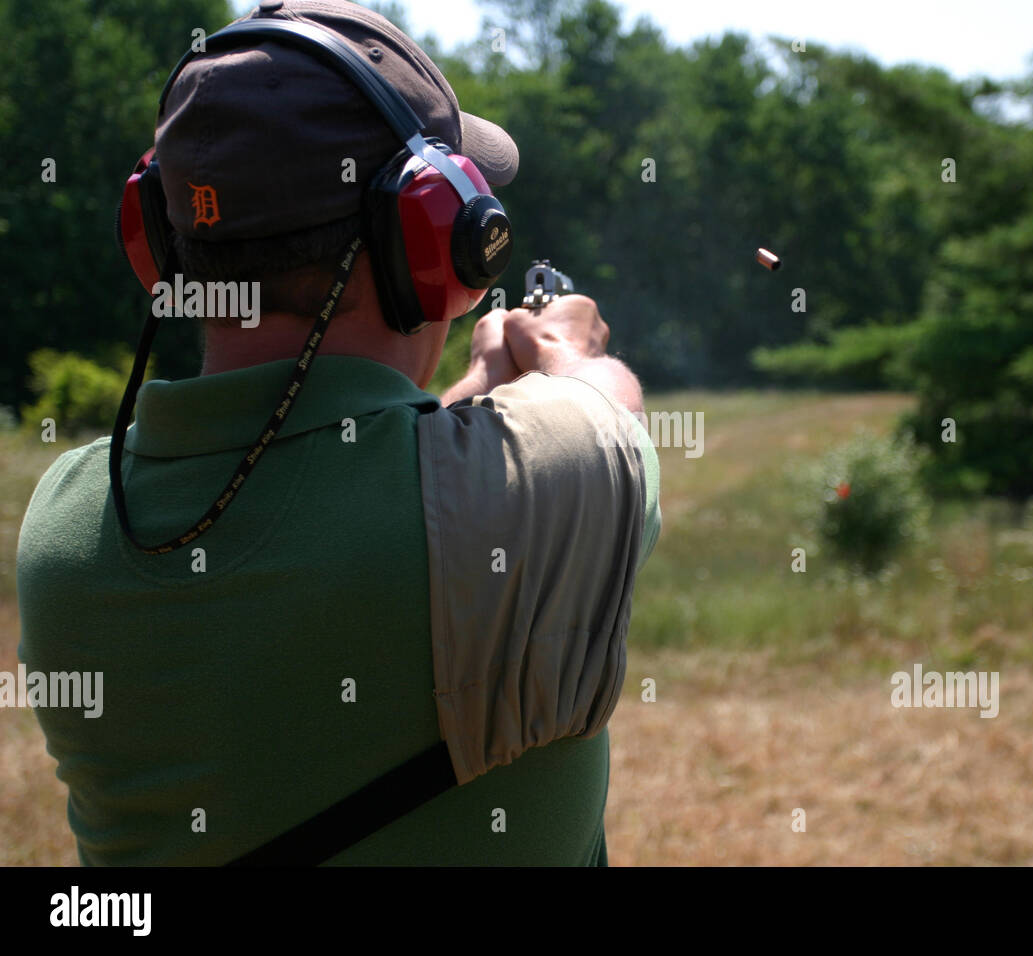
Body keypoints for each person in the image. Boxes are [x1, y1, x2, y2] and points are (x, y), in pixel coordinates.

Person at [16, 0, 660, 866]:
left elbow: (340, 477)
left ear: (161, 244)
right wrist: (560, 351)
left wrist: (479, 388)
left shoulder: (65, 526)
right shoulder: (549, 485)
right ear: (434, 235)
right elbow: (607, 408)